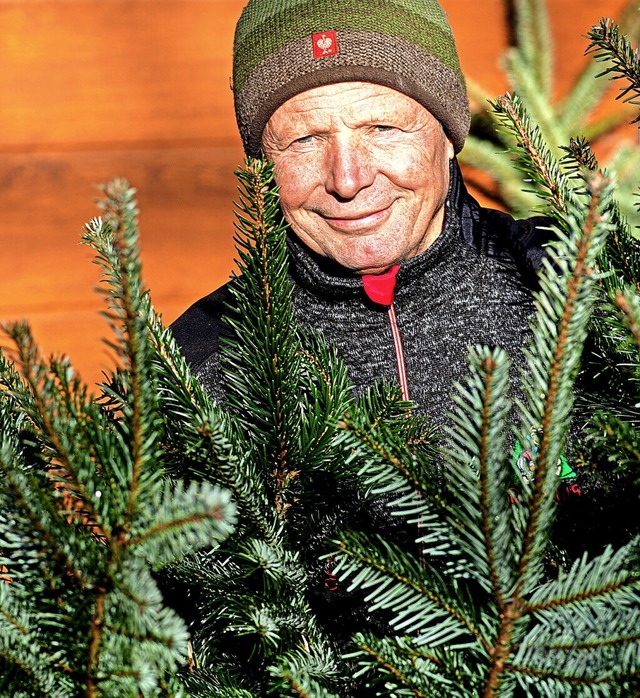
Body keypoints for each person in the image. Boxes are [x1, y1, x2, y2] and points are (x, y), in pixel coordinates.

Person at [172, 0, 552, 433]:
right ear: (263, 166)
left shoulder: (574, 284)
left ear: (447, 137)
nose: (347, 181)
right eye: (305, 140)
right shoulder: (195, 370)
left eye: (382, 129)